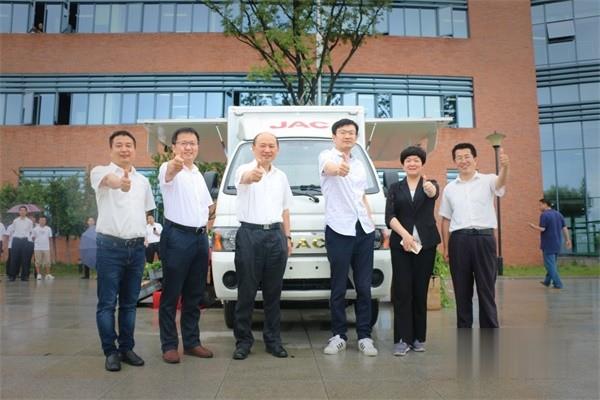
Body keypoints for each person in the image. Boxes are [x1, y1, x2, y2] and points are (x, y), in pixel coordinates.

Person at [91, 130, 156, 372]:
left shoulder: (143, 181)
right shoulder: (100, 172)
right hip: (110, 248)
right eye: (119, 145)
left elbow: (145, 212)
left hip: (136, 249)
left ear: (134, 150)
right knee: (107, 303)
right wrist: (120, 183)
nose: (124, 149)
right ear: (111, 149)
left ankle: (127, 348)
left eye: (129, 145)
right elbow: (111, 181)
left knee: (129, 304)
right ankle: (110, 351)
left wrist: (144, 236)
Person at [231, 132, 293, 360]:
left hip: (276, 235)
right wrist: (253, 175)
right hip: (250, 234)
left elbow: (285, 209)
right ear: (253, 148)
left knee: (273, 293)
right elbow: (245, 179)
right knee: (246, 292)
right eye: (262, 146)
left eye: (271, 146)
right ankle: (243, 342)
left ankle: (273, 341)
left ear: (277, 149)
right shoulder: (243, 170)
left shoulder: (281, 176)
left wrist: (288, 237)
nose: (267, 150)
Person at [319, 118, 378, 356]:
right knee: (339, 286)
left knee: (364, 287)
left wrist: (371, 220)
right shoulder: (327, 156)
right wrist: (339, 169)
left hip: (363, 230)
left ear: (356, 137)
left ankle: (365, 336)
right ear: (334, 136)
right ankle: (338, 336)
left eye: (352, 132)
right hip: (338, 229)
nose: (347, 136)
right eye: (343, 132)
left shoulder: (360, 164)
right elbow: (330, 169)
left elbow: (361, 195)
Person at [158, 127, 215, 364]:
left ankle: (192, 342)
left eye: (192, 143)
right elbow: (170, 173)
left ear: (197, 147)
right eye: (183, 143)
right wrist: (175, 164)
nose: (188, 147)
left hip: (199, 238)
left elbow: (208, 208)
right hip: (177, 237)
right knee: (171, 294)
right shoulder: (168, 167)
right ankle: (169, 345)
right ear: (174, 147)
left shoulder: (197, 174)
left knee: (194, 294)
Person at [439, 142, 509, 329]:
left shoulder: (488, 180)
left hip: (484, 239)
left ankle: (490, 333)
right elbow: (445, 219)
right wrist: (446, 247)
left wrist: (505, 168)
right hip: (458, 241)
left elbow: (500, 184)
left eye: (467, 157)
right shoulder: (450, 188)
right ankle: (464, 332)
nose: (463, 161)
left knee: (486, 289)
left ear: (475, 159)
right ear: (455, 161)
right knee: (462, 291)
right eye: (459, 158)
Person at [385, 146, 441, 356]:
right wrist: (406, 236)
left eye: (416, 160)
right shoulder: (395, 188)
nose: (412, 163)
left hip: (425, 246)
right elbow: (389, 216)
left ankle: (418, 338)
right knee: (402, 291)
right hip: (402, 246)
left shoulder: (430, 184)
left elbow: (433, 193)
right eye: (408, 160)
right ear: (403, 165)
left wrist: (430, 188)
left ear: (422, 163)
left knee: (420, 291)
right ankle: (402, 339)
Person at [528, 198, 571, 289]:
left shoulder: (544, 215)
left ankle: (558, 284)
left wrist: (533, 226)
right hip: (557, 243)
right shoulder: (558, 214)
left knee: (550, 265)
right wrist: (568, 240)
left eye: (540, 205)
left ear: (545, 204)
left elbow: (543, 229)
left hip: (548, 244)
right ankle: (547, 281)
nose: (539, 207)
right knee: (552, 264)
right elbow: (564, 228)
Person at [7, 206, 34, 281]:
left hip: (25, 241)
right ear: (19, 212)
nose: (22, 212)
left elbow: (31, 232)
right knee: (14, 259)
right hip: (16, 240)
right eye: (21, 210)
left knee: (25, 259)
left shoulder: (29, 221)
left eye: (24, 210)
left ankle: (24, 276)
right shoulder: (15, 221)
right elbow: (12, 231)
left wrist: (29, 240)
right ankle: (12, 276)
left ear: (26, 212)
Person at [32, 215, 54, 280]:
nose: (42, 221)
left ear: (45, 221)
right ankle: (39, 274)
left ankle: (48, 274)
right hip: (37, 248)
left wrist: (51, 247)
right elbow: (33, 238)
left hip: (46, 248)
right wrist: (36, 243)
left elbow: (50, 238)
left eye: (44, 220)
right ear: (39, 221)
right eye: (41, 220)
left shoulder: (48, 228)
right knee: (38, 262)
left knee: (47, 262)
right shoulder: (35, 229)